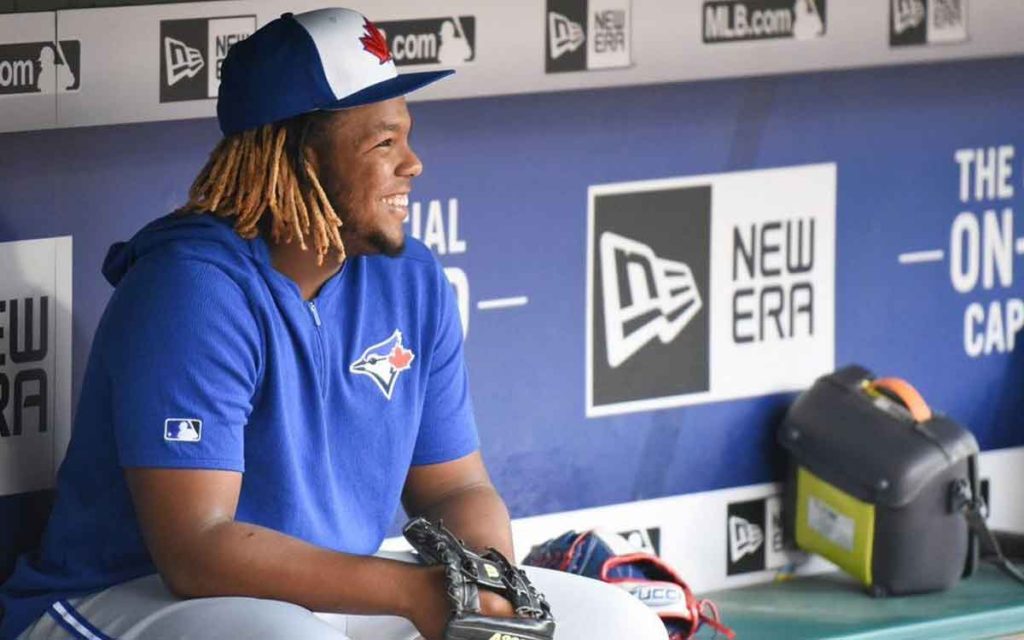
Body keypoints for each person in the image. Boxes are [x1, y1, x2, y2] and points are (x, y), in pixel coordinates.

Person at [0, 7, 666, 640]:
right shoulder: (191, 286)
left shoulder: (410, 277)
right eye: (383, 142)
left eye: (408, 136)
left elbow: (455, 485)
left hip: (323, 597)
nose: (414, 164)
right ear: (297, 160)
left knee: (618, 624)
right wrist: (415, 593)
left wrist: (486, 582)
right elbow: (196, 550)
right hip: (126, 598)